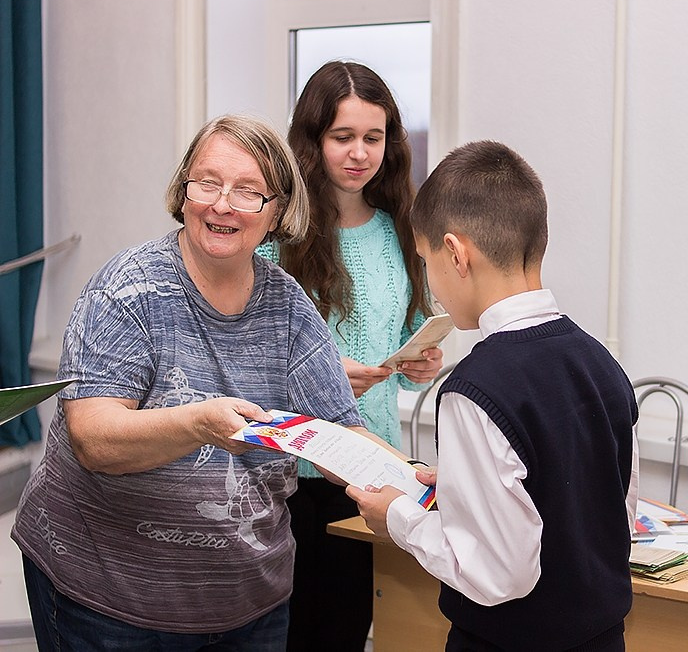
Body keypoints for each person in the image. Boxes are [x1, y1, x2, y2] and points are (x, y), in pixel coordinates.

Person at [11, 114, 367, 650]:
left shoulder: (289, 306)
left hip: (250, 604)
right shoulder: (129, 290)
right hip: (108, 599)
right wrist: (198, 423)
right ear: (183, 194)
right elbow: (93, 437)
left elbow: (342, 433)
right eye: (208, 183)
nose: (222, 204)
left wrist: (415, 481)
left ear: (275, 215)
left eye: (249, 192)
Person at [347, 140, 640, 652]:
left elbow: (498, 574)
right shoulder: (601, 363)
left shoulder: (474, 389)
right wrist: (464, 487)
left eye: (426, 260)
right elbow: (610, 510)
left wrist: (399, 518)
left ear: (456, 254)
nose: (432, 285)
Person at [257, 60, 443, 650]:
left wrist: (422, 364)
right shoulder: (274, 239)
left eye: (373, 137)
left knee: (343, 633)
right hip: (286, 480)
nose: (360, 153)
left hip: (371, 476)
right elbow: (244, 362)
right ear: (311, 142)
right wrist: (321, 378)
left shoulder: (403, 230)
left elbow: (412, 341)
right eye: (343, 137)